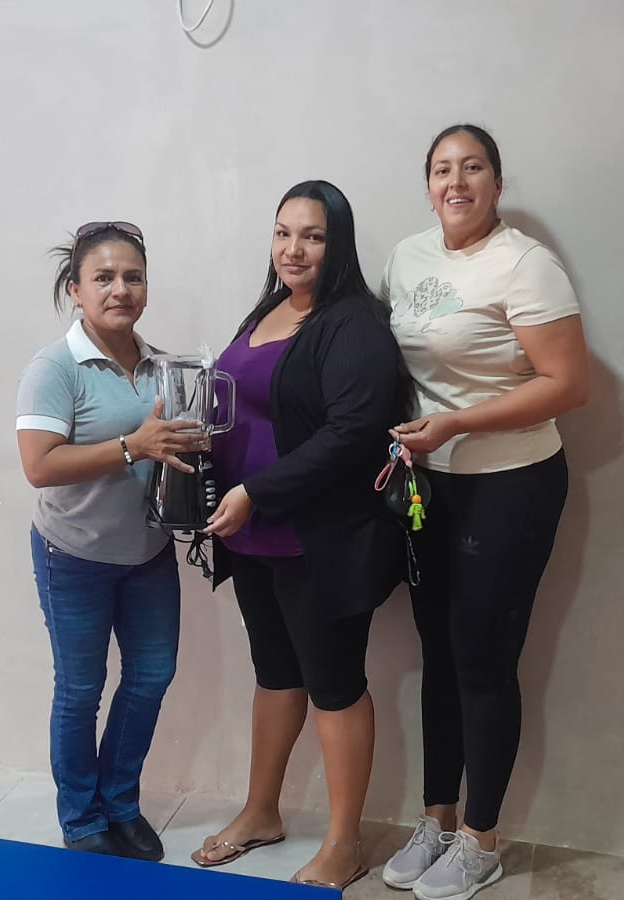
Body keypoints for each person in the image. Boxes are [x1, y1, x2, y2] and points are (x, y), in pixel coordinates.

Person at [378, 125, 590, 900]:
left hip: (511, 484)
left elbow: (569, 384)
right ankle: (437, 819)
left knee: (482, 661)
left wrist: (459, 423)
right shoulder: (406, 258)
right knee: (438, 654)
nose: (456, 182)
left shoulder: (526, 266)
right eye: (442, 169)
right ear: (428, 184)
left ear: (497, 183)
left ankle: (482, 839)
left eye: (473, 168)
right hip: (429, 488)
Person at [188, 181, 409, 890]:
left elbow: (353, 433)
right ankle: (261, 812)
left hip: (319, 540)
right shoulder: (269, 309)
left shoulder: (355, 325)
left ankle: (345, 843)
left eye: (312, 236)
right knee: (275, 675)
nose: (293, 249)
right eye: (283, 233)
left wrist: (257, 491)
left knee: (334, 685)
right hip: (252, 535)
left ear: (337, 243)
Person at [15, 221, 207, 861]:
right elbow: (39, 465)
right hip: (72, 554)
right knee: (80, 690)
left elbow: (171, 448)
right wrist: (133, 446)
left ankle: (121, 804)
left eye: (133, 277)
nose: (120, 289)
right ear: (75, 290)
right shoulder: (53, 367)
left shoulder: (164, 367)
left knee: (152, 676)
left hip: (148, 553)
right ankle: (81, 817)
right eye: (103, 277)